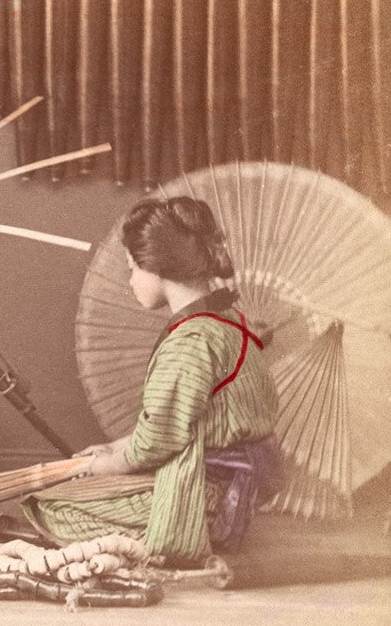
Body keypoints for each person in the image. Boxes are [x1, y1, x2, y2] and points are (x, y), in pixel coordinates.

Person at [23, 197, 281, 565]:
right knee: (86, 489)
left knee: (53, 508)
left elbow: (156, 443)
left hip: (209, 490)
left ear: (156, 266)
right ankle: (210, 523)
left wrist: (100, 467)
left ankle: (189, 534)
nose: (131, 282)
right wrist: (112, 447)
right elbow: (186, 425)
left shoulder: (191, 341)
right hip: (238, 481)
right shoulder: (229, 319)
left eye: (132, 269)